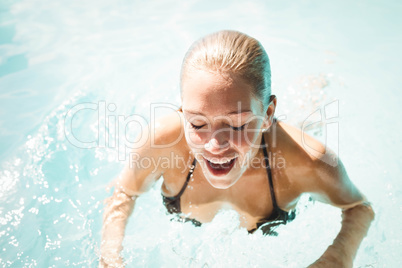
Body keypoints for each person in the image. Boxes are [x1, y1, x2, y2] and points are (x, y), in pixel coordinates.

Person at [99, 30, 374, 267]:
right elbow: (124, 193)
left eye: (238, 125)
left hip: (276, 144)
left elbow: (359, 208)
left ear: (268, 114)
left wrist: (338, 257)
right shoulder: (159, 144)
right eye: (197, 123)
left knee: (304, 123)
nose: (215, 145)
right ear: (182, 112)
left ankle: (317, 82)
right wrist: (110, 258)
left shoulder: (310, 162)